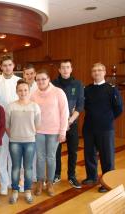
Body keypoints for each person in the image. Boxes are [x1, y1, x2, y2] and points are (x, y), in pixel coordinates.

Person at [82, 63, 123, 193]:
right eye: (94, 70)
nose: (96, 73)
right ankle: (91, 177)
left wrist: (107, 119)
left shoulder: (111, 89)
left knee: (107, 157)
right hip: (89, 127)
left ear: (104, 72)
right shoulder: (87, 89)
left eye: (99, 70)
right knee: (89, 155)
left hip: (106, 129)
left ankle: (107, 182)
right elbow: (85, 106)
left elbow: (119, 109)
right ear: (91, 73)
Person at [31, 69, 69, 197]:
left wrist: (63, 130)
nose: (41, 81)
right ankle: (40, 181)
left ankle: (50, 182)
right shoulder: (33, 94)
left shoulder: (58, 92)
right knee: (40, 157)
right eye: (38, 79)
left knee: (51, 157)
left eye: (43, 79)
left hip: (54, 131)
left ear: (48, 79)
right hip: (38, 131)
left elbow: (65, 112)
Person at [0, 55, 21, 195]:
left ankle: (14, 183)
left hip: (17, 123)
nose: (7, 67)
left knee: (15, 155)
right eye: (4, 65)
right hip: (0, 123)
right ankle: (3, 183)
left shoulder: (19, 81)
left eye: (10, 64)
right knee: (2, 155)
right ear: (1, 67)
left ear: (13, 65)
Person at [7, 80, 41, 204]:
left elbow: (38, 124)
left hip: (30, 142)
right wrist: (14, 135)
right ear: (17, 92)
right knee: (15, 167)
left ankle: (27, 190)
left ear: (29, 91)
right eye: (20, 90)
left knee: (28, 168)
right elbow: (7, 124)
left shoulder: (34, 106)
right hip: (14, 142)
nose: (23, 92)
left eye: (25, 90)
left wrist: (29, 134)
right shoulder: (11, 106)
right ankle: (15, 191)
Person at [52, 60, 84, 189]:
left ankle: (71, 176)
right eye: (63, 67)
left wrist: (69, 121)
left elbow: (80, 106)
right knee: (56, 151)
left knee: (73, 151)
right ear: (59, 70)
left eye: (67, 67)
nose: (65, 70)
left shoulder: (78, 84)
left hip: (72, 124)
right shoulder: (53, 84)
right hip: (56, 124)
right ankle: (56, 174)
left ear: (71, 69)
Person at [22, 64, 38, 182]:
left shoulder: (40, 86)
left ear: (35, 74)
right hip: (23, 125)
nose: (30, 76)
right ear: (24, 75)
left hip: (36, 124)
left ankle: (34, 177)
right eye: (27, 74)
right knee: (25, 153)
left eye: (32, 73)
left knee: (36, 153)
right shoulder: (21, 87)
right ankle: (24, 177)